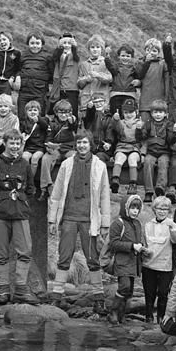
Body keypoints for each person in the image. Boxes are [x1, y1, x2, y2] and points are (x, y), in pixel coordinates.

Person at [47, 131, 111, 314]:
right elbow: (57, 193)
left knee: (93, 258)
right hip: (68, 216)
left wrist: (105, 223)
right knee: (64, 256)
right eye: (79, 143)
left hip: (89, 219)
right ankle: (57, 296)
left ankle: (99, 298)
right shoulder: (66, 164)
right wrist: (52, 219)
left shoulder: (100, 166)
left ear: (90, 144)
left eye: (85, 142)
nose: (82, 145)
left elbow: (105, 195)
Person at [0, 129, 39, 305]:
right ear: (5, 143)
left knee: (25, 251)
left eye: (18, 143)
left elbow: (31, 188)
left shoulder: (24, 164)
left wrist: (22, 201)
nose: (15, 146)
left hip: (20, 213)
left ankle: (21, 290)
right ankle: (3, 291)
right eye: (12, 143)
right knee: (1, 254)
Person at [107, 195, 150, 324]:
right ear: (125, 208)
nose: (135, 211)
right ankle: (113, 312)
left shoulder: (137, 223)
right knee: (124, 287)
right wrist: (131, 246)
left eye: (138, 208)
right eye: (132, 208)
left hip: (134, 262)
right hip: (122, 262)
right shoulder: (118, 224)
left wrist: (142, 247)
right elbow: (113, 244)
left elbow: (138, 241)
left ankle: (121, 314)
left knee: (129, 290)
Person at [142, 196, 176, 324]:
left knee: (163, 293)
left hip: (165, 265)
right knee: (149, 292)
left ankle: (160, 318)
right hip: (149, 264)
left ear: (169, 210)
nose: (162, 211)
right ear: (154, 209)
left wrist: (173, 228)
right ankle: (148, 316)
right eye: (159, 208)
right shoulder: (148, 224)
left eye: (165, 209)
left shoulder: (171, 224)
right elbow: (144, 242)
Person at [38, 100, 77, 200]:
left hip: (69, 148)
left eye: (66, 112)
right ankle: (46, 186)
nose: (64, 115)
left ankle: (71, 186)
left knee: (74, 158)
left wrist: (72, 121)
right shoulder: (52, 123)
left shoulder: (72, 121)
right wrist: (49, 146)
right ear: (56, 112)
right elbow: (48, 138)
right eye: (61, 112)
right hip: (56, 149)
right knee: (46, 158)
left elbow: (74, 125)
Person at [141, 100, 176, 203]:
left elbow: (170, 141)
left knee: (163, 163)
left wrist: (174, 133)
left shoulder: (169, 124)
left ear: (165, 114)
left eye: (160, 112)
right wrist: (139, 130)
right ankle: (149, 191)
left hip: (164, 151)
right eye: (155, 112)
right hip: (151, 151)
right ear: (151, 113)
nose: (158, 115)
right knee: (148, 162)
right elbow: (142, 137)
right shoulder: (148, 124)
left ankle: (160, 188)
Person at [110, 99, 144, 195]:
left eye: (131, 112)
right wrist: (115, 120)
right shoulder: (121, 122)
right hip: (122, 145)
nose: (128, 115)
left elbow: (143, 138)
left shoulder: (140, 123)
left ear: (136, 112)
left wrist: (139, 129)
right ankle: (115, 180)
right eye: (126, 112)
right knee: (119, 158)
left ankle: (133, 184)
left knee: (132, 159)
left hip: (134, 147)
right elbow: (117, 129)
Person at [17, 31, 53, 117]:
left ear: (42, 43)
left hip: (40, 93)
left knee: (39, 117)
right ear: (28, 43)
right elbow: (17, 69)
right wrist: (18, 77)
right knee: (22, 116)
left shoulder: (48, 57)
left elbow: (52, 73)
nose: (35, 46)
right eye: (32, 43)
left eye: (37, 43)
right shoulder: (23, 55)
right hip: (24, 92)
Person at [78, 34, 113, 121]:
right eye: (92, 47)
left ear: (102, 49)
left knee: (100, 125)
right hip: (86, 100)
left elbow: (110, 78)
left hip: (101, 100)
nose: (95, 49)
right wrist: (86, 79)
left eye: (98, 47)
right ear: (89, 49)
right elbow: (79, 84)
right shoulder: (83, 64)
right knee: (87, 125)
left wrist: (98, 75)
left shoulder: (106, 63)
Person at [49, 33, 81, 117]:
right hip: (59, 89)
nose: (66, 45)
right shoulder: (57, 57)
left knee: (72, 112)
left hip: (72, 89)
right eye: (64, 43)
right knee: (58, 111)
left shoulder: (75, 57)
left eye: (69, 43)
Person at [136, 38, 168, 123]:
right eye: (148, 50)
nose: (151, 53)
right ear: (144, 50)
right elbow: (139, 76)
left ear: (158, 52)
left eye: (154, 51)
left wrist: (166, 98)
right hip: (145, 101)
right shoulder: (140, 62)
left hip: (159, 99)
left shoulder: (162, 63)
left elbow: (167, 80)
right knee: (144, 124)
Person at [20, 100, 49, 184]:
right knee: (25, 158)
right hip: (28, 147)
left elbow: (46, 127)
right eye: (30, 110)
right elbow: (21, 131)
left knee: (35, 159)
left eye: (35, 110)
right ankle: (24, 179)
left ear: (39, 111)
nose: (32, 112)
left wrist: (38, 120)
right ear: (26, 112)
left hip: (39, 147)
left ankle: (31, 181)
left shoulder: (43, 120)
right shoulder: (24, 122)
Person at [107, 44, 140, 116]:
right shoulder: (115, 67)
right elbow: (110, 67)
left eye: (128, 56)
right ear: (119, 56)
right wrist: (107, 57)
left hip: (130, 94)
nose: (125, 58)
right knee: (115, 115)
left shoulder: (134, 68)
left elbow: (140, 77)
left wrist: (138, 82)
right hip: (116, 94)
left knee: (128, 115)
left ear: (132, 57)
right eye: (123, 56)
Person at [83, 93, 115, 162]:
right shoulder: (91, 116)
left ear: (105, 102)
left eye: (100, 101)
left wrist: (109, 143)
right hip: (91, 148)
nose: (98, 104)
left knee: (98, 158)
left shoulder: (109, 118)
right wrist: (90, 108)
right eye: (95, 102)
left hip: (103, 150)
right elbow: (89, 116)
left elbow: (110, 132)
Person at [0, 30, 21, 97]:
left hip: (7, 82)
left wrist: (12, 78)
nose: (2, 42)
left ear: (9, 40)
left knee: (4, 103)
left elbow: (18, 68)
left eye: (4, 39)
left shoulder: (16, 53)